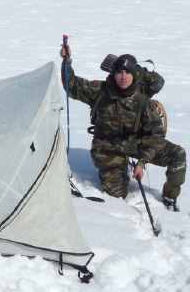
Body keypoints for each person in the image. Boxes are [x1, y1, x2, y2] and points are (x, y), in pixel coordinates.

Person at [59, 44, 186, 211]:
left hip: (135, 142)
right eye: (119, 72)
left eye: (128, 73)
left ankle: (169, 198)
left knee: (178, 155)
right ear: (114, 74)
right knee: (116, 196)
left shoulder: (143, 100)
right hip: (108, 148)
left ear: (134, 75)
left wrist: (141, 162)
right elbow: (72, 85)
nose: (123, 77)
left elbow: (156, 135)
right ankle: (121, 167)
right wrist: (66, 61)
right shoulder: (101, 90)